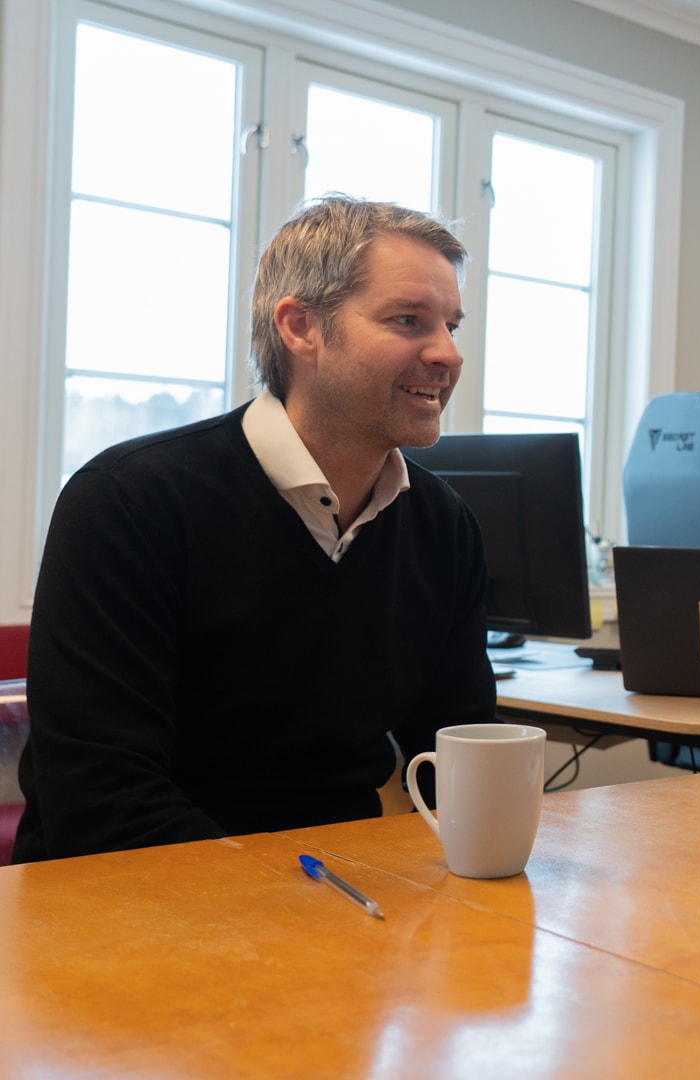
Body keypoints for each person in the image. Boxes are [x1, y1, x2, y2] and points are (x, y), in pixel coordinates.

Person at [15, 195, 498, 861]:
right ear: (301, 328)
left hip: (342, 898)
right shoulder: (130, 502)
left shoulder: (444, 527)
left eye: (452, 325)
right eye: (409, 320)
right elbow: (102, 804)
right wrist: (296, 905)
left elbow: (459, 755)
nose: (448, 354)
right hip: (128, 908)